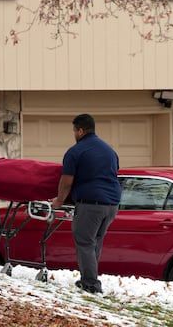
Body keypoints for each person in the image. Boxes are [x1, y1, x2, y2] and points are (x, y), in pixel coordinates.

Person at [51, 114, 122, 294]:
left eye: (75, 130)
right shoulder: (109, 151)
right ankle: (89, 278)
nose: (74, 134)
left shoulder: (76, 151)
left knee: (84, 242)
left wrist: (59, 200)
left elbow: (66, 181)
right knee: (94, 242)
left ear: (80, 131)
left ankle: (90, 284)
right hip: (112, 204)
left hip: (91, 204)